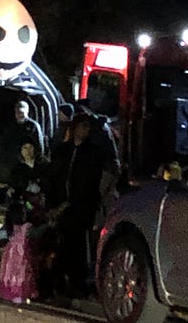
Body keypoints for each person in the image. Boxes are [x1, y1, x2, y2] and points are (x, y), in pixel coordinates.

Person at [48, 113, 105, 298]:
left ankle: (76, 282)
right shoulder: (62, 151)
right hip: (62, 205)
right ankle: (59, 281)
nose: (84, 130)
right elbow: (55, 178)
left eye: (87, 127)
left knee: (78, 245)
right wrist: (55, 203)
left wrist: (72, 202)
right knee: (61, 243)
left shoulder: (93, 153)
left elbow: (89, 182)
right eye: (82, 126)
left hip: (80, 207)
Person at [0, 100, 45, 183]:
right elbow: (4, 143)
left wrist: (35, 160)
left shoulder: (33, 126)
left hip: (27, 160)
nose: (20, 115)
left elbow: (39, 145)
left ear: (27, 112)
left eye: (22, 112)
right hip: (12, 160)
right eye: (18, 112)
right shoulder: (11, 126)